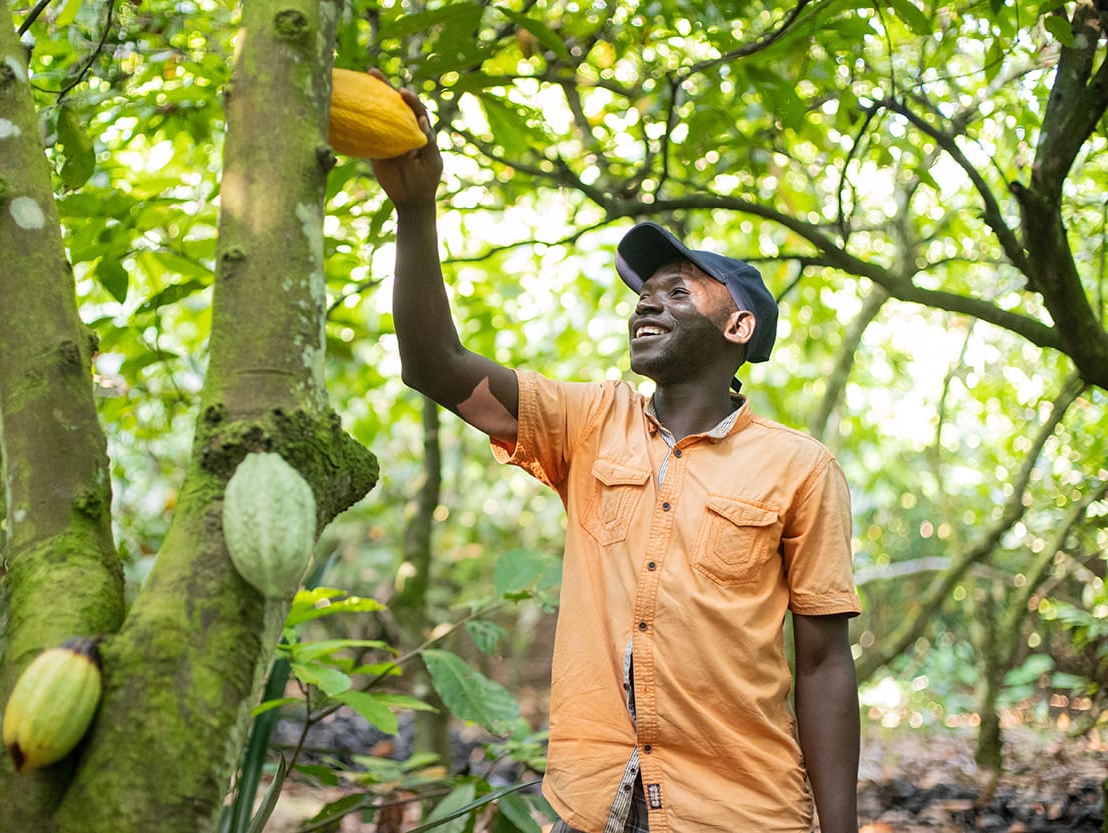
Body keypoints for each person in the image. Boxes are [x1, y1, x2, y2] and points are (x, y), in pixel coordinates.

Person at [369, 79, 862, 833]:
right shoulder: (589, 422)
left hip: (739, 814)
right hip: (592, 805)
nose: (647, 302)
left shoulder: (801, 468)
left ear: (737, 327)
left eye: (677, 289)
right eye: (642, 292)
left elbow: (825, 663)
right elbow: (433, 364)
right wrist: (415, 205)